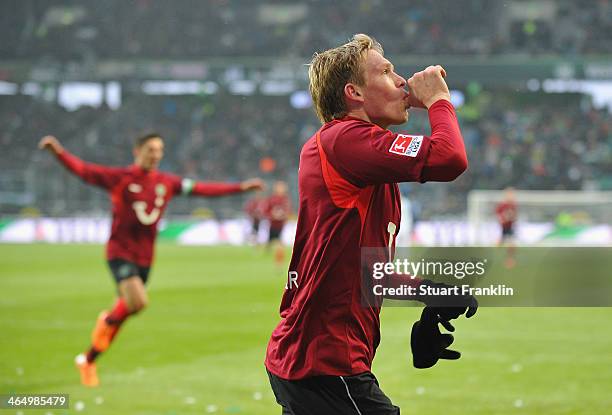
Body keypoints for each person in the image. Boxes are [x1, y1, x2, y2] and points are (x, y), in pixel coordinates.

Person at [265, 34, 477, 414]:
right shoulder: (344, 139)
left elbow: (368, 274)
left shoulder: (363, 160)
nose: (401, 81)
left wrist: (430, 293)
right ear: (355, 94)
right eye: (386, 71)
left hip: (313, 362)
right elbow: (450, 159)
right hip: (326, 365)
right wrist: (438, 101)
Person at [38, 133, 264, 387]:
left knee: (127, 310)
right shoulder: (119, 178)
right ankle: (106, 321)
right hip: (120, 251)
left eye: (159, 150)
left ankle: (88, 359)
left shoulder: (167, 182)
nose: (155, 154)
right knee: (138, 302)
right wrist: (58, 152)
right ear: (137, 151)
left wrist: (240, 188)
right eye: (150, 149)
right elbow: (84, 171)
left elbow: (203, 189)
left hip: (146, 258)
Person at [264, 181, 291, 267]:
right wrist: (273, 215)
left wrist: (283, 216)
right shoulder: (271, 199)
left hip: (281, 226)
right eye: (280, 187)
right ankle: (265, 250)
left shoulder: (285, 200)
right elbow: (266, 211)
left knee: (280, 245)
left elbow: (288, 212)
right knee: (270, 243)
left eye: (282, 187)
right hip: (272, 225)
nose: (281, 189)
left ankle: (279, 263)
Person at [496, 187, 518, 268]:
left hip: (510, 227)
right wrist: (504, 218)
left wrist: (512, 218)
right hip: (505, 227)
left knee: (511, 244)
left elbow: (514, 216)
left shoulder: (513, 205)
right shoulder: (502, 205)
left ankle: (509, 259)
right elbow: (499, 215)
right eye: (510, 194)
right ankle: (508, 259)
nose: (512, 196)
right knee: (504, 242)